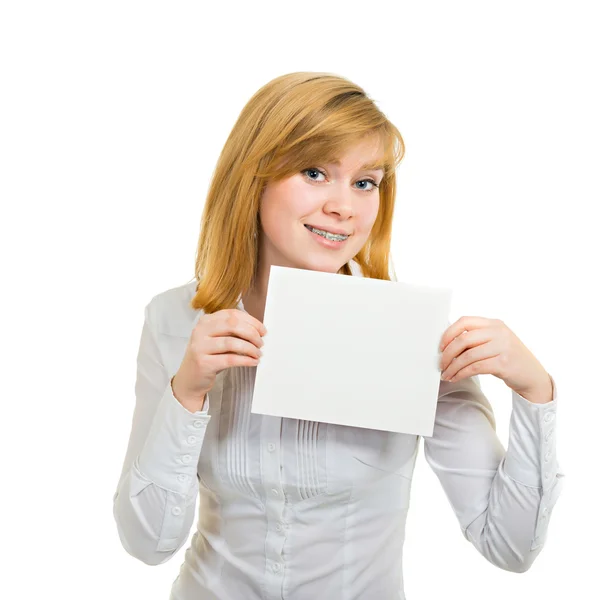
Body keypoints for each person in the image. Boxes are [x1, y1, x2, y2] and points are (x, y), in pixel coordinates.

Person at [112, 71, 565, 600]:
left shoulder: (412, 335)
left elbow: (509, 546)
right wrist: (186, 393)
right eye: (314, 172)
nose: (344, 207)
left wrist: (536, 392)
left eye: (365, 182)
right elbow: (146, 541)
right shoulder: (174, 318)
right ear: (252, 177)